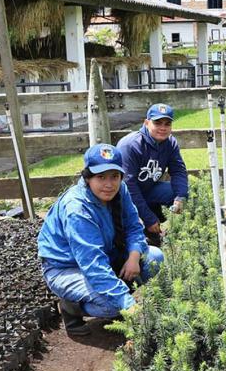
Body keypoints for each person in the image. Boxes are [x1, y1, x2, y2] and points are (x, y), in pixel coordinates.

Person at [38, 144, 164, 336]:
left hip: (106, 253)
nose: (109, 184)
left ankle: (117, 290)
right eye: (101, 177)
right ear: (87, 177)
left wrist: (133, 257)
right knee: (113, 306)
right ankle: (71, 307)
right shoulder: (77, 209)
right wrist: (129, 305)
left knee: (155, 258)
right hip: (66, 268)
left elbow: (133, 226)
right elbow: (93, 264)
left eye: (114, 176)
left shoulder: (120, 190)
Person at [116, 103, 188, 245]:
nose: (163, 128)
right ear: (146, 123)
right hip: (122, 197)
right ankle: (143, 235)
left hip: (148, 190)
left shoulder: (170, 143)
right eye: (157, 123)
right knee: (131, 223)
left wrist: (181, 197)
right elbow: (128, 186)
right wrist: (148, 218)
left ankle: (178, 232)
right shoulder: (130, 146)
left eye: (167, 124)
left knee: (179, 192)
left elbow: (178, 170)